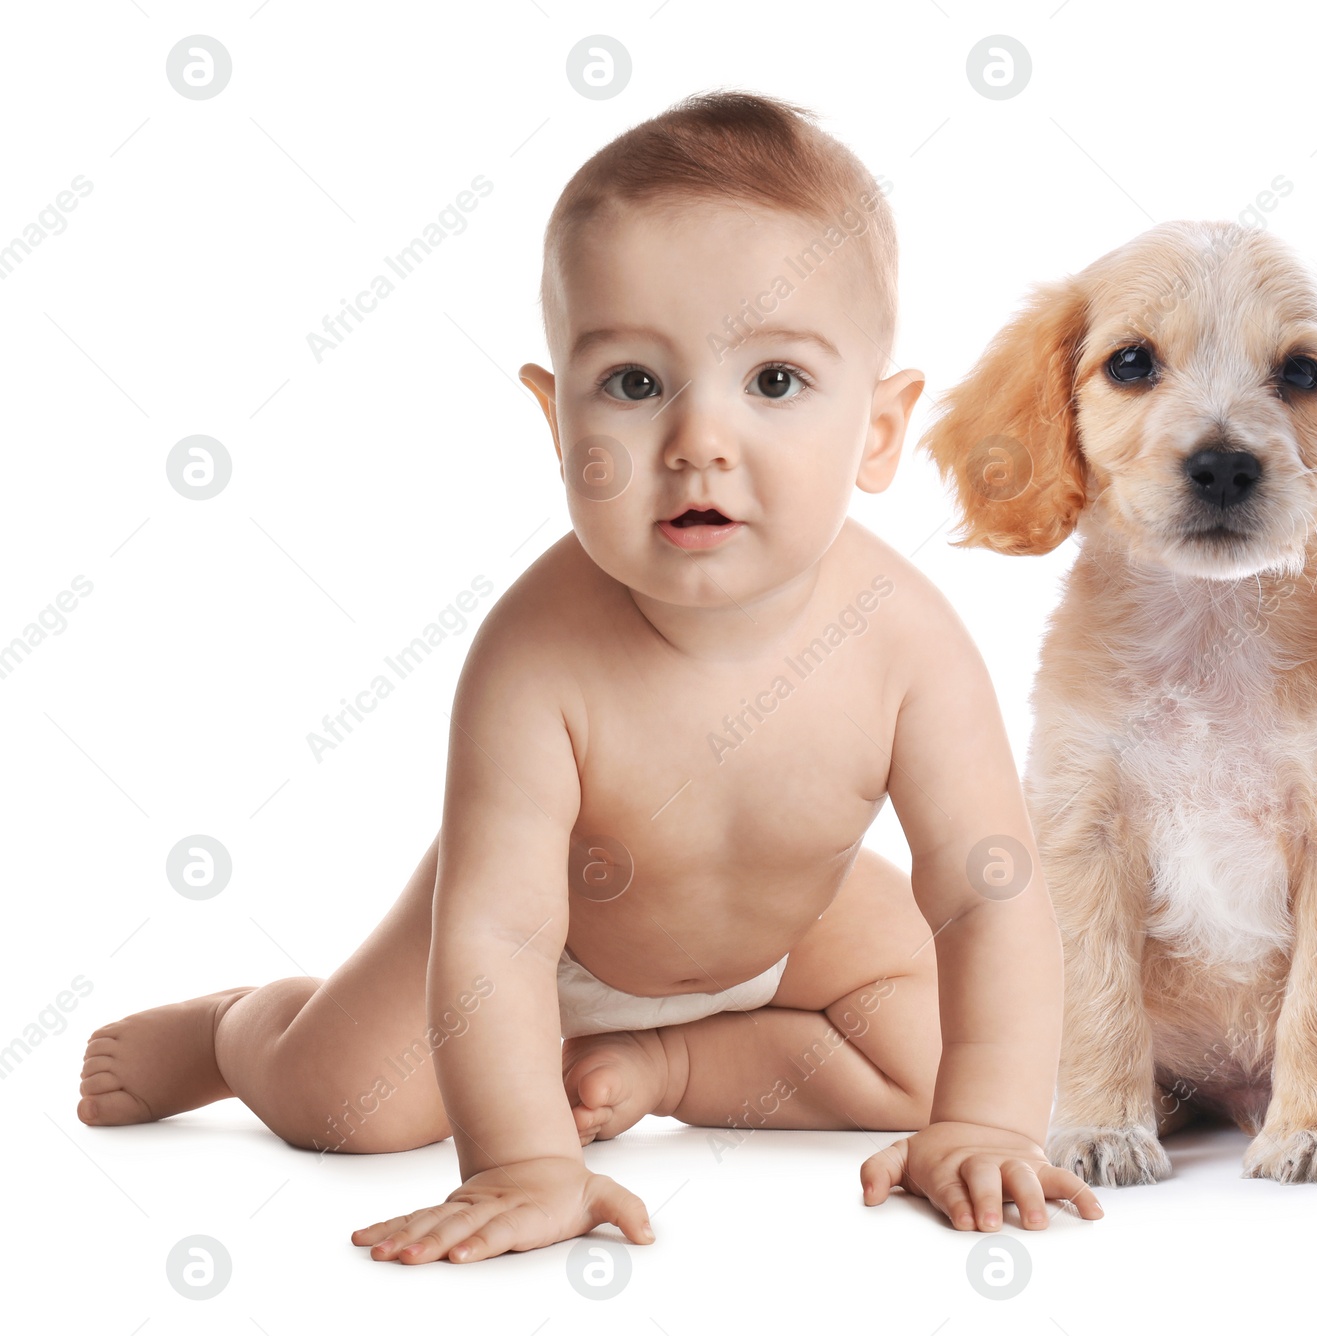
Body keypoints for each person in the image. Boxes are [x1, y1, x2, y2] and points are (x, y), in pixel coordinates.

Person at [77, 89, 1100, 1263]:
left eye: (773, 383)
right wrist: (523, 1165)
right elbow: (501, 933)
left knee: (939, 1060)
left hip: (786, 928)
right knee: (342, 1108)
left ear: (877, 432)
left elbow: (988, 894)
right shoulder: (536, 653)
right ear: (555, 419)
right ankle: (227, 1033)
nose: (698, 440)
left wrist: (984, 1125)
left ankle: (668, 1065)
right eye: (632, 383)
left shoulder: (905, 639)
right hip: (538, 942)